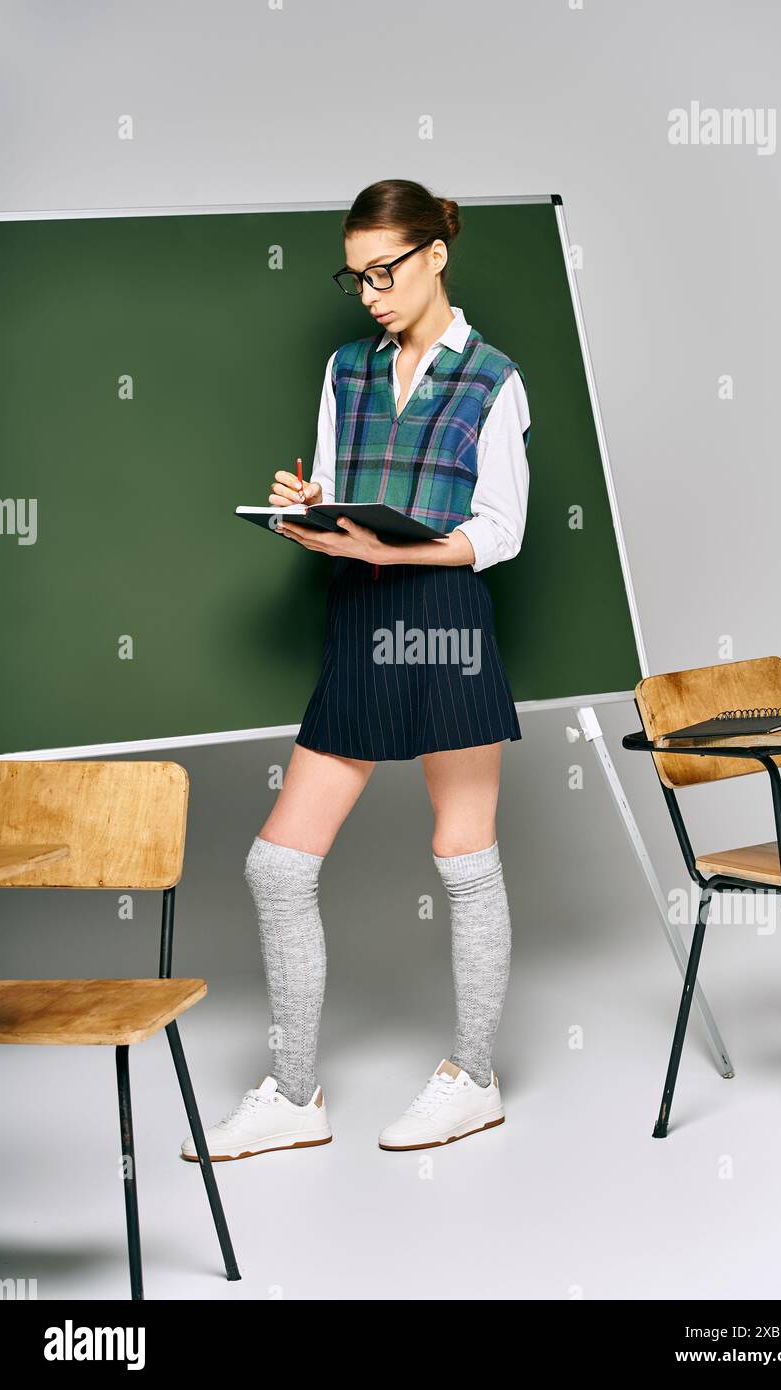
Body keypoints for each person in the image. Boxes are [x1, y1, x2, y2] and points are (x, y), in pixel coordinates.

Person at [181, 178, 530, 1161]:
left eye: (385, 270)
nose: (370, 291)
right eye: (355, 275)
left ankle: (473, 1076)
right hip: (360, 623)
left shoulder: (493, 378)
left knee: (464, 857)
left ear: (433, 255)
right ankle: (295, 1094)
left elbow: (497, 532)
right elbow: (339, 526)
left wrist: (396, 554)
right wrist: (305, 514)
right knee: (278, 863)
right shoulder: (345, 371)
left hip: (446, 625)